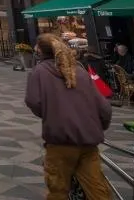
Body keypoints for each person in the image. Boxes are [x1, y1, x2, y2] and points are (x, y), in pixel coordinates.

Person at [25, 33, 112, 199]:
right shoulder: (79, 70)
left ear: (40, 51)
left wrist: (52, 112)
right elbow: (104, 107)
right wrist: (98, 125)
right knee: (97, 189)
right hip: (88, 139)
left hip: (61, 140)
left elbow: (34, 102)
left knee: (58, 190)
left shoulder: (39, 72)